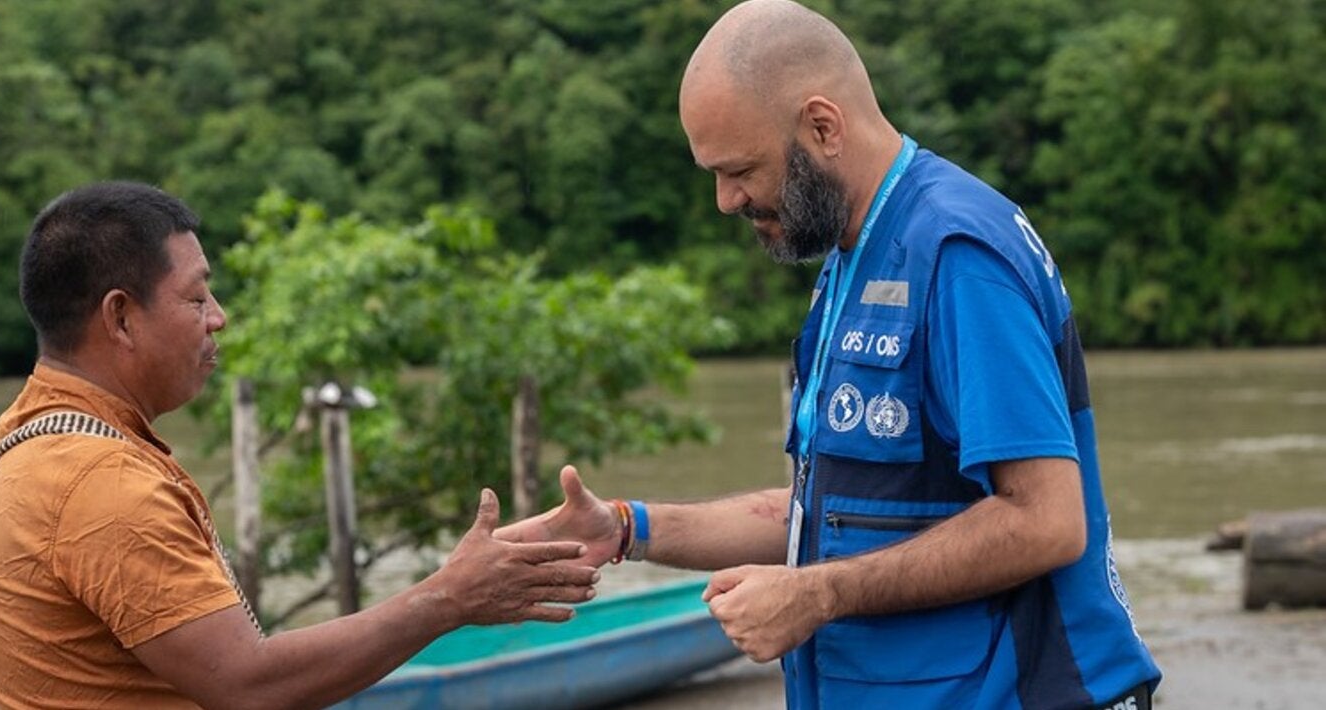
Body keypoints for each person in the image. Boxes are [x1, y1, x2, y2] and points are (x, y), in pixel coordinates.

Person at [496, 1, 1162, 708]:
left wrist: (816, 594)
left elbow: (1046, 522)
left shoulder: (957, 255)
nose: (725, 200)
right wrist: (630, 528)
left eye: (740, 169)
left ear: (822, 126)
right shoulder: (851, 258)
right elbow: (829, 515)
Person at [0, 181, 600, 710]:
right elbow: (251, 684)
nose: (218, 316)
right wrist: (450, 598)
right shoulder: (101, 481)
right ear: (121, 317)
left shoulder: (22, 438)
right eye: (196, 295)